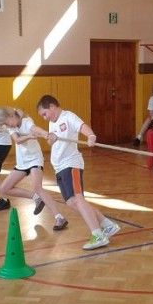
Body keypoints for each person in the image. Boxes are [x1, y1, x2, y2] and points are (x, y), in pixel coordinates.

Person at [35, 94, 120, 250]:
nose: (45, 118)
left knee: (78, 199)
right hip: (59, 168)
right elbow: (54, 140)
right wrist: (50, 139)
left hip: (71, 164)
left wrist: (91, 135)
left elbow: (82, 127)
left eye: (44, 114)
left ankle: (98, 235)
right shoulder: (52, 122)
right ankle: (107, 225)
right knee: (71, 202)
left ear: (52, 107)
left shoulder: (68, 116)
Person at [0, 107, 68, 231]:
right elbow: (17, 140)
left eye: (7, 123)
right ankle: (36, 198)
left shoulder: (26, 121)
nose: (8, 126)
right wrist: (29, 136)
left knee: (37, 187)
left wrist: (46, 134)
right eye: (5, 125)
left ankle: (59, 217)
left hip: (35, 159)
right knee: (4, 188)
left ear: (11, 116)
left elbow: (35, 129)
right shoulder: (11, 126)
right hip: (22, 162)